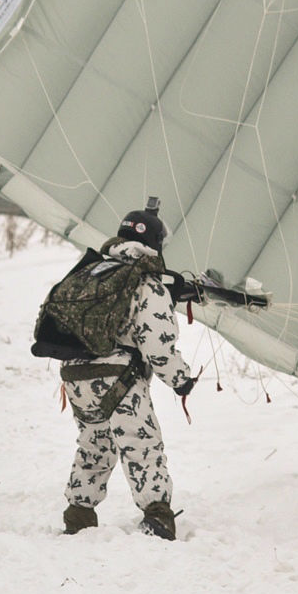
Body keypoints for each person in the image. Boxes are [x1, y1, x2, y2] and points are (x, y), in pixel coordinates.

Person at [56, 201, 195, 540]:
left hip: (75, 377)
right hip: (120, 378)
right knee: (141, 445)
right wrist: (181, 380)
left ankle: (78, 514)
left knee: (94, 444)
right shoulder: (146, 283)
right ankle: (158, 517)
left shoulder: (94, 271)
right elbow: (157, 344)